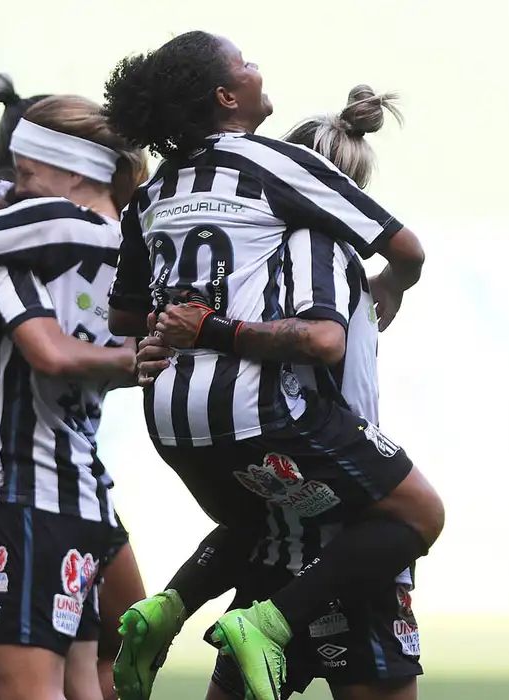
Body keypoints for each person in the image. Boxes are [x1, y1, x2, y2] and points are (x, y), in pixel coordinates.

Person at [102, 31, 445, 700]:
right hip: (278, 436)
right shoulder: (288, 189)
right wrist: (389, 287)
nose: (259, 69)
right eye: (247, 64)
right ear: (227, 96)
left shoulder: (157, 191)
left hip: (174, 415)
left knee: (263, 513)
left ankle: (171, 605)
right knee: (415, 515)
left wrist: (166, 331)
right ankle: (271, 622)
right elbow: (345, 318)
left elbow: (124, 316)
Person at [0, 92, 150, 700]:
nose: (16, 186)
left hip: (25, 490)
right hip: (80, 484)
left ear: (73, 173)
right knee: (89, 676)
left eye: (27, 174)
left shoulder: (47, 223)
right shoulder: (132, 244)